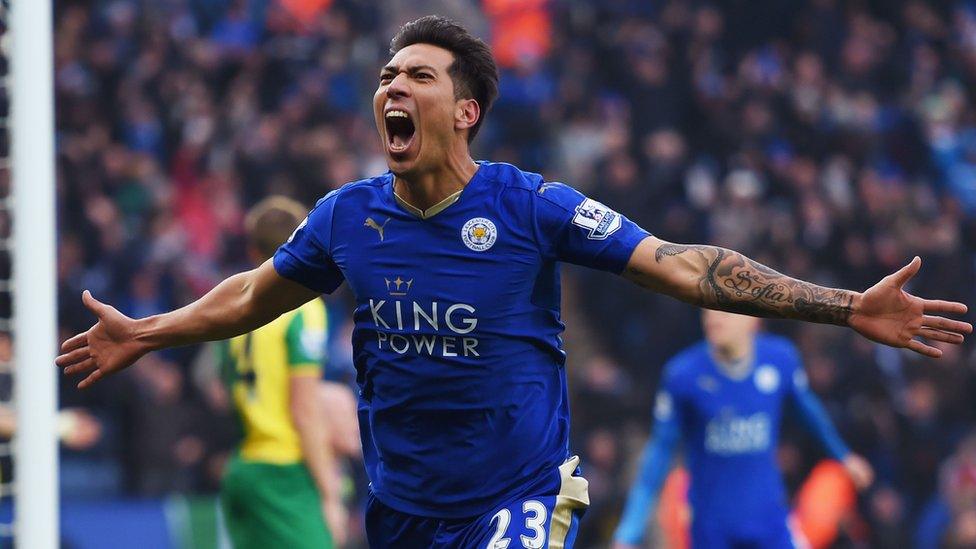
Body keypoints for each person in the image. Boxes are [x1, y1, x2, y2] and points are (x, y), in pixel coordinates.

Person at [56, 15, 971, 549]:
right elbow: (251, 295)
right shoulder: (346, 217)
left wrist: (847, 306)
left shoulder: (532, 206)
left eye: (415, 74)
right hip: (405, 507)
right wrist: (149, 329)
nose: (390, 88)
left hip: (521, 496)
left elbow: (687, 268)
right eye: (384, 76)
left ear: (467, 109)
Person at [612, 310, 874, 549]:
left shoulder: (780, 360)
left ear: (753, 317)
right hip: (711, 530)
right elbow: (658, 456)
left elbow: (809, 412)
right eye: (707, 309)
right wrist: (629, 531)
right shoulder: (683, 375)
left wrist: (843, 455)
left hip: (769, 521)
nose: (713, 318)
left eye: (724, 309)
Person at [216, 197, 346, 548]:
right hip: (284, 474)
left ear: (251, 247)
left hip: (243, 467)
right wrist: (330, 494)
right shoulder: (302, 309)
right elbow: (303, 411)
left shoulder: (234, 309)